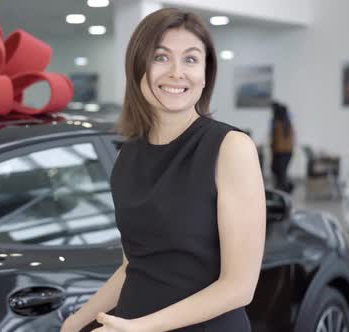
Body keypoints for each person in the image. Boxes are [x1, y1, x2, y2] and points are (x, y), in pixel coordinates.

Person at [61, 8, 265, 332]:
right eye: (161, 57)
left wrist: (140, 328)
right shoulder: (128, 155)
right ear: (139, 66)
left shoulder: (230, 148)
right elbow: (134, 265)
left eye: (190, 59)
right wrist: (77, 321)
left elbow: (239, 287)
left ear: (205, 73)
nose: (176, 72)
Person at [270, 101, 294, 193]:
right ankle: (282, 188)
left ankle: (282, 189)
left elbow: (278, 139)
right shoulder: (285, 122)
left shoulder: (279, 123)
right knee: (279, 171)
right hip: (283, 151)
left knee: (280, 172)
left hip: (282, 152)